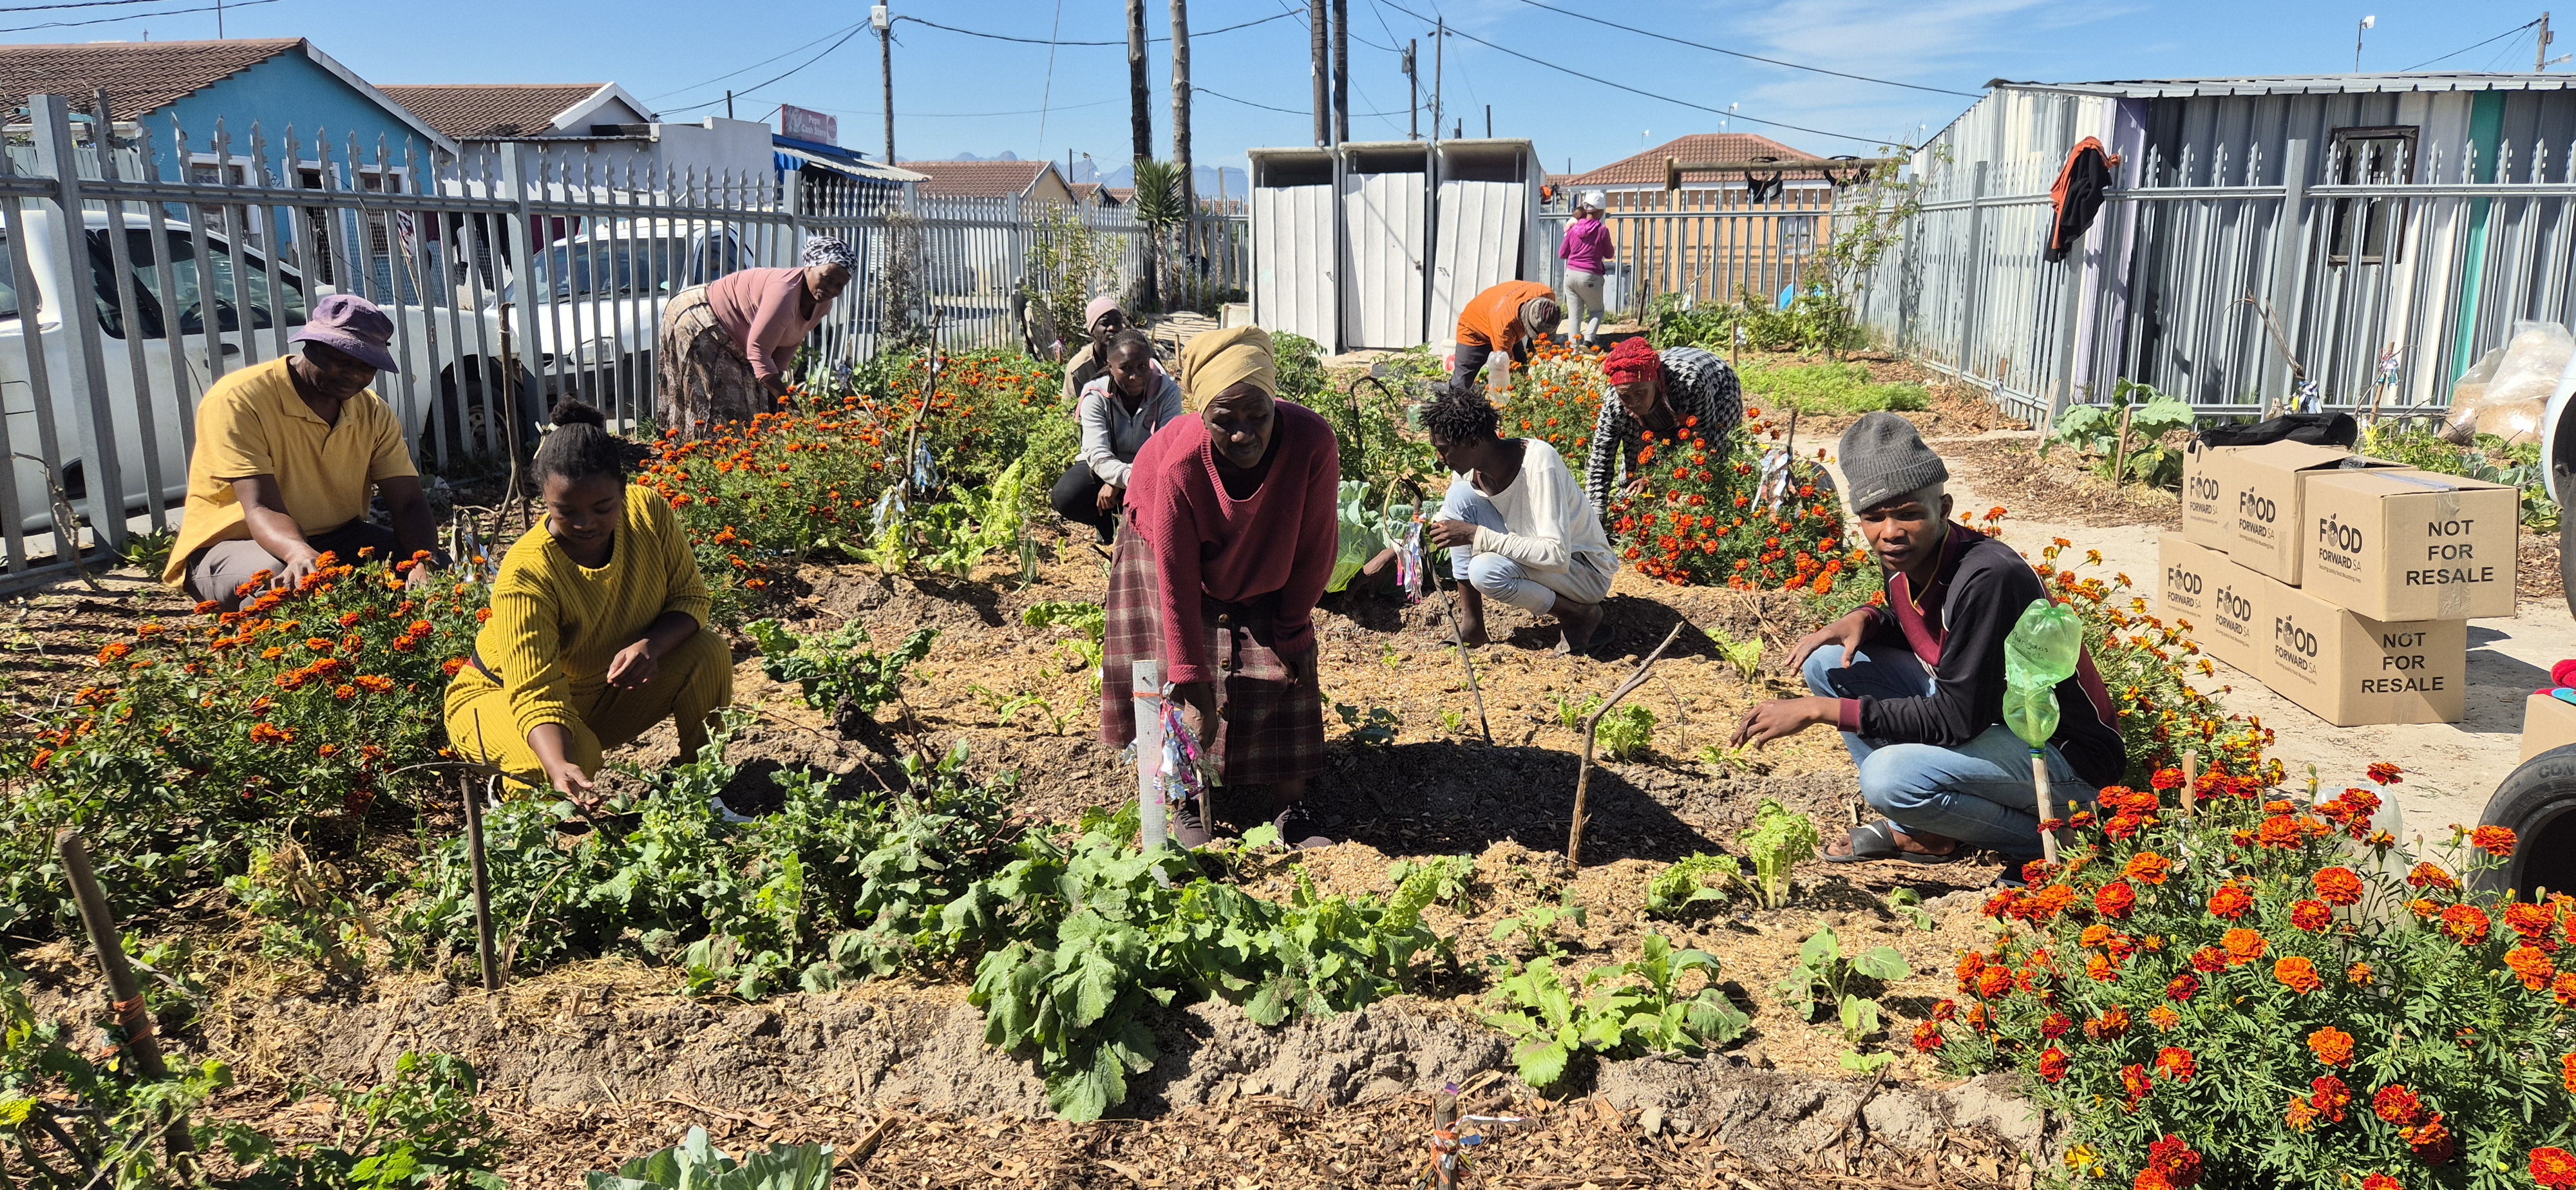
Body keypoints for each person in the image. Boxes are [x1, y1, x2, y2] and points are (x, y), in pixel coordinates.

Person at [1728, 413, 2123, 867]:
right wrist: (1869, 618)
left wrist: (1819, 710)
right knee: (1830, 663)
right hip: (1995, 724)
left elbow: (1956, 718)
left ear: (1944, 507)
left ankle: (2053, 841)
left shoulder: (1990, 576)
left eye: (1909, 513)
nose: (1890, 531)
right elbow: (1936, 634)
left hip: (2065, 757)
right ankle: (1927, 834)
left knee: (1888, 778)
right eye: (1874, 517)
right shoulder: (1907, 557)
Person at [1101, 326, 1340, 849]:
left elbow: (1316, 546)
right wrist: (1192, 680)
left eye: (1258, 416)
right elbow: (1180, 582)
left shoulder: (1311, 443)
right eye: (1224, 421)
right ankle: (1182, 798)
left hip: (1262, 542)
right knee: (1174, 671)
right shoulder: (1180, 464)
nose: (1243, 434)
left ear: (1275, 403)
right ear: (1200, 414)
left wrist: (1295, 625)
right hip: (1160, 544)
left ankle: (1290, 803)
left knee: (1282, 657)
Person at [445, 401, 734, 801]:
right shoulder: (528, 572)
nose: (585, 524)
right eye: (566, 512)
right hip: (500, 699)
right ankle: (509, 804)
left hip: (596, 695)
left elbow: (691, 599)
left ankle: (702, 793)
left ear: (623, 488)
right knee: (549, 768)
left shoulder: (648, 513)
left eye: (603, 508)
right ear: (545, 498)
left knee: (707, 652)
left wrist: (650, 646)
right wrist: (559, 765)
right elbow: (535, 693)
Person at [164, 293, 442, 609]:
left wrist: (423, 563)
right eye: (343, 360)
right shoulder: (239, 399)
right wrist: (297, 552)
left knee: (434, 568)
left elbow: (408, 502)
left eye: (367, 366)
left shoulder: (372, 411)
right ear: (311, 347)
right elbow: (260, 507)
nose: (354, 375)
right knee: (284, 578)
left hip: (338, 538)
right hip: (235, 544)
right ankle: (277, 656)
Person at [1420, 387, 1617, 656]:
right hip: (1537, 556)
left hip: (1583, 572)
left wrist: (1476, 535)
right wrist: (1397, 552)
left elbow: (1556, 557)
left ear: (1474, 442)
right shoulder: (1470, 472)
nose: (1440, 459)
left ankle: (1579, 614)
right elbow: (1448, 526)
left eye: (1444, 450)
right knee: (1459, 495)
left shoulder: (1538, 462)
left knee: (1485, 571)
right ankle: (1473, 625)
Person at [654, 236, 856, 438]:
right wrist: (788, 404)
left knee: (757, 401)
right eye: (827, 277)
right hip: (701, 318)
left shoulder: (823, 304)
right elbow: (758, 352)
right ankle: (693, 457)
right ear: (810, 267)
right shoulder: (784, 293)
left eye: (840, 285)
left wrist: (780, 396)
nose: (832, 288)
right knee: (718, 405)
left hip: (735, 334)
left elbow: (789, 342)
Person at [1582, 336, 1745, 513]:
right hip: (1674, 385)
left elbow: (1700, 442)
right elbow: (1601, 455)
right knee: (1629, 489)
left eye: (1641, 392)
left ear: (1656, 383)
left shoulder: (1690, 384)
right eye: (1625, 396)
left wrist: (1654, 479)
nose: (1635, 402)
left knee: (1712, 455)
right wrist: (1595, 512)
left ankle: (1722, 505)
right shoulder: (1614, 401)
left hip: (1719, 384)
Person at [1051, 329, 1184, 544]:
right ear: (1110, 367)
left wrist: (1119, 483)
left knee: (1178, 486)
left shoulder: (1167, 391)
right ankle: (1107, 527)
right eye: (1126, 368)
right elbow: (1097, 454)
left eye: (1142, 366)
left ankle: (1149, 530)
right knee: (1067, 495)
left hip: (1152, 471)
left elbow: (1166, 449)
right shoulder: (1096, 395)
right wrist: (1125, 478)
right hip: (1108, 469)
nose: (1136, 376)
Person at [1449, 279, 1560, 395]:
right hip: (1473, 330)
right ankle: (1452, 409)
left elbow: (1536, 343)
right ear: (1525, 323)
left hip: (1503, 320)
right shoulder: (1504, 329)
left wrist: (1528, 363)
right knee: (1461, 384)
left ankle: (1522, 407)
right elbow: (1507, 368)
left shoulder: (1546, 293)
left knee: (1522, 369)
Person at [1558, 192, 1615, 339]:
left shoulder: (1572, 229)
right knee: (1597, 311)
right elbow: (1609, 254)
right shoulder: (1602, 230)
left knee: (1574, 316)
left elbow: (1562, 254)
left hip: (1570, 276)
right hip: (1590, 275)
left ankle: (1573, 351)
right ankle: (1589, 340)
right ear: (1599, 211)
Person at [1058, 296, 1130, 404]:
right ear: (1092, 330)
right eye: (1105, 323)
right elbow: (1069, 410)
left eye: (1117, 322)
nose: (1112, 328)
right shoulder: (1079, 367)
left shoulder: (1133, 358)